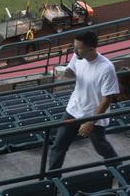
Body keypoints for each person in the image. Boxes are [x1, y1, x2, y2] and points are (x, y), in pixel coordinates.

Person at [47, 30, 119, 171]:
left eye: (79, 48)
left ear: (91, 48)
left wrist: (91, 122)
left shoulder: (107, 68)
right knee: (58, 146)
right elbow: (72, 72)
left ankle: (118, 168)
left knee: (101, 147)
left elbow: (107, 99)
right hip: (73, 110)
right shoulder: (77, 56)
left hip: (93, 116)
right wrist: (63, 73)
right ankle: (52, 180)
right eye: (74, 46)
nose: (75, 51)